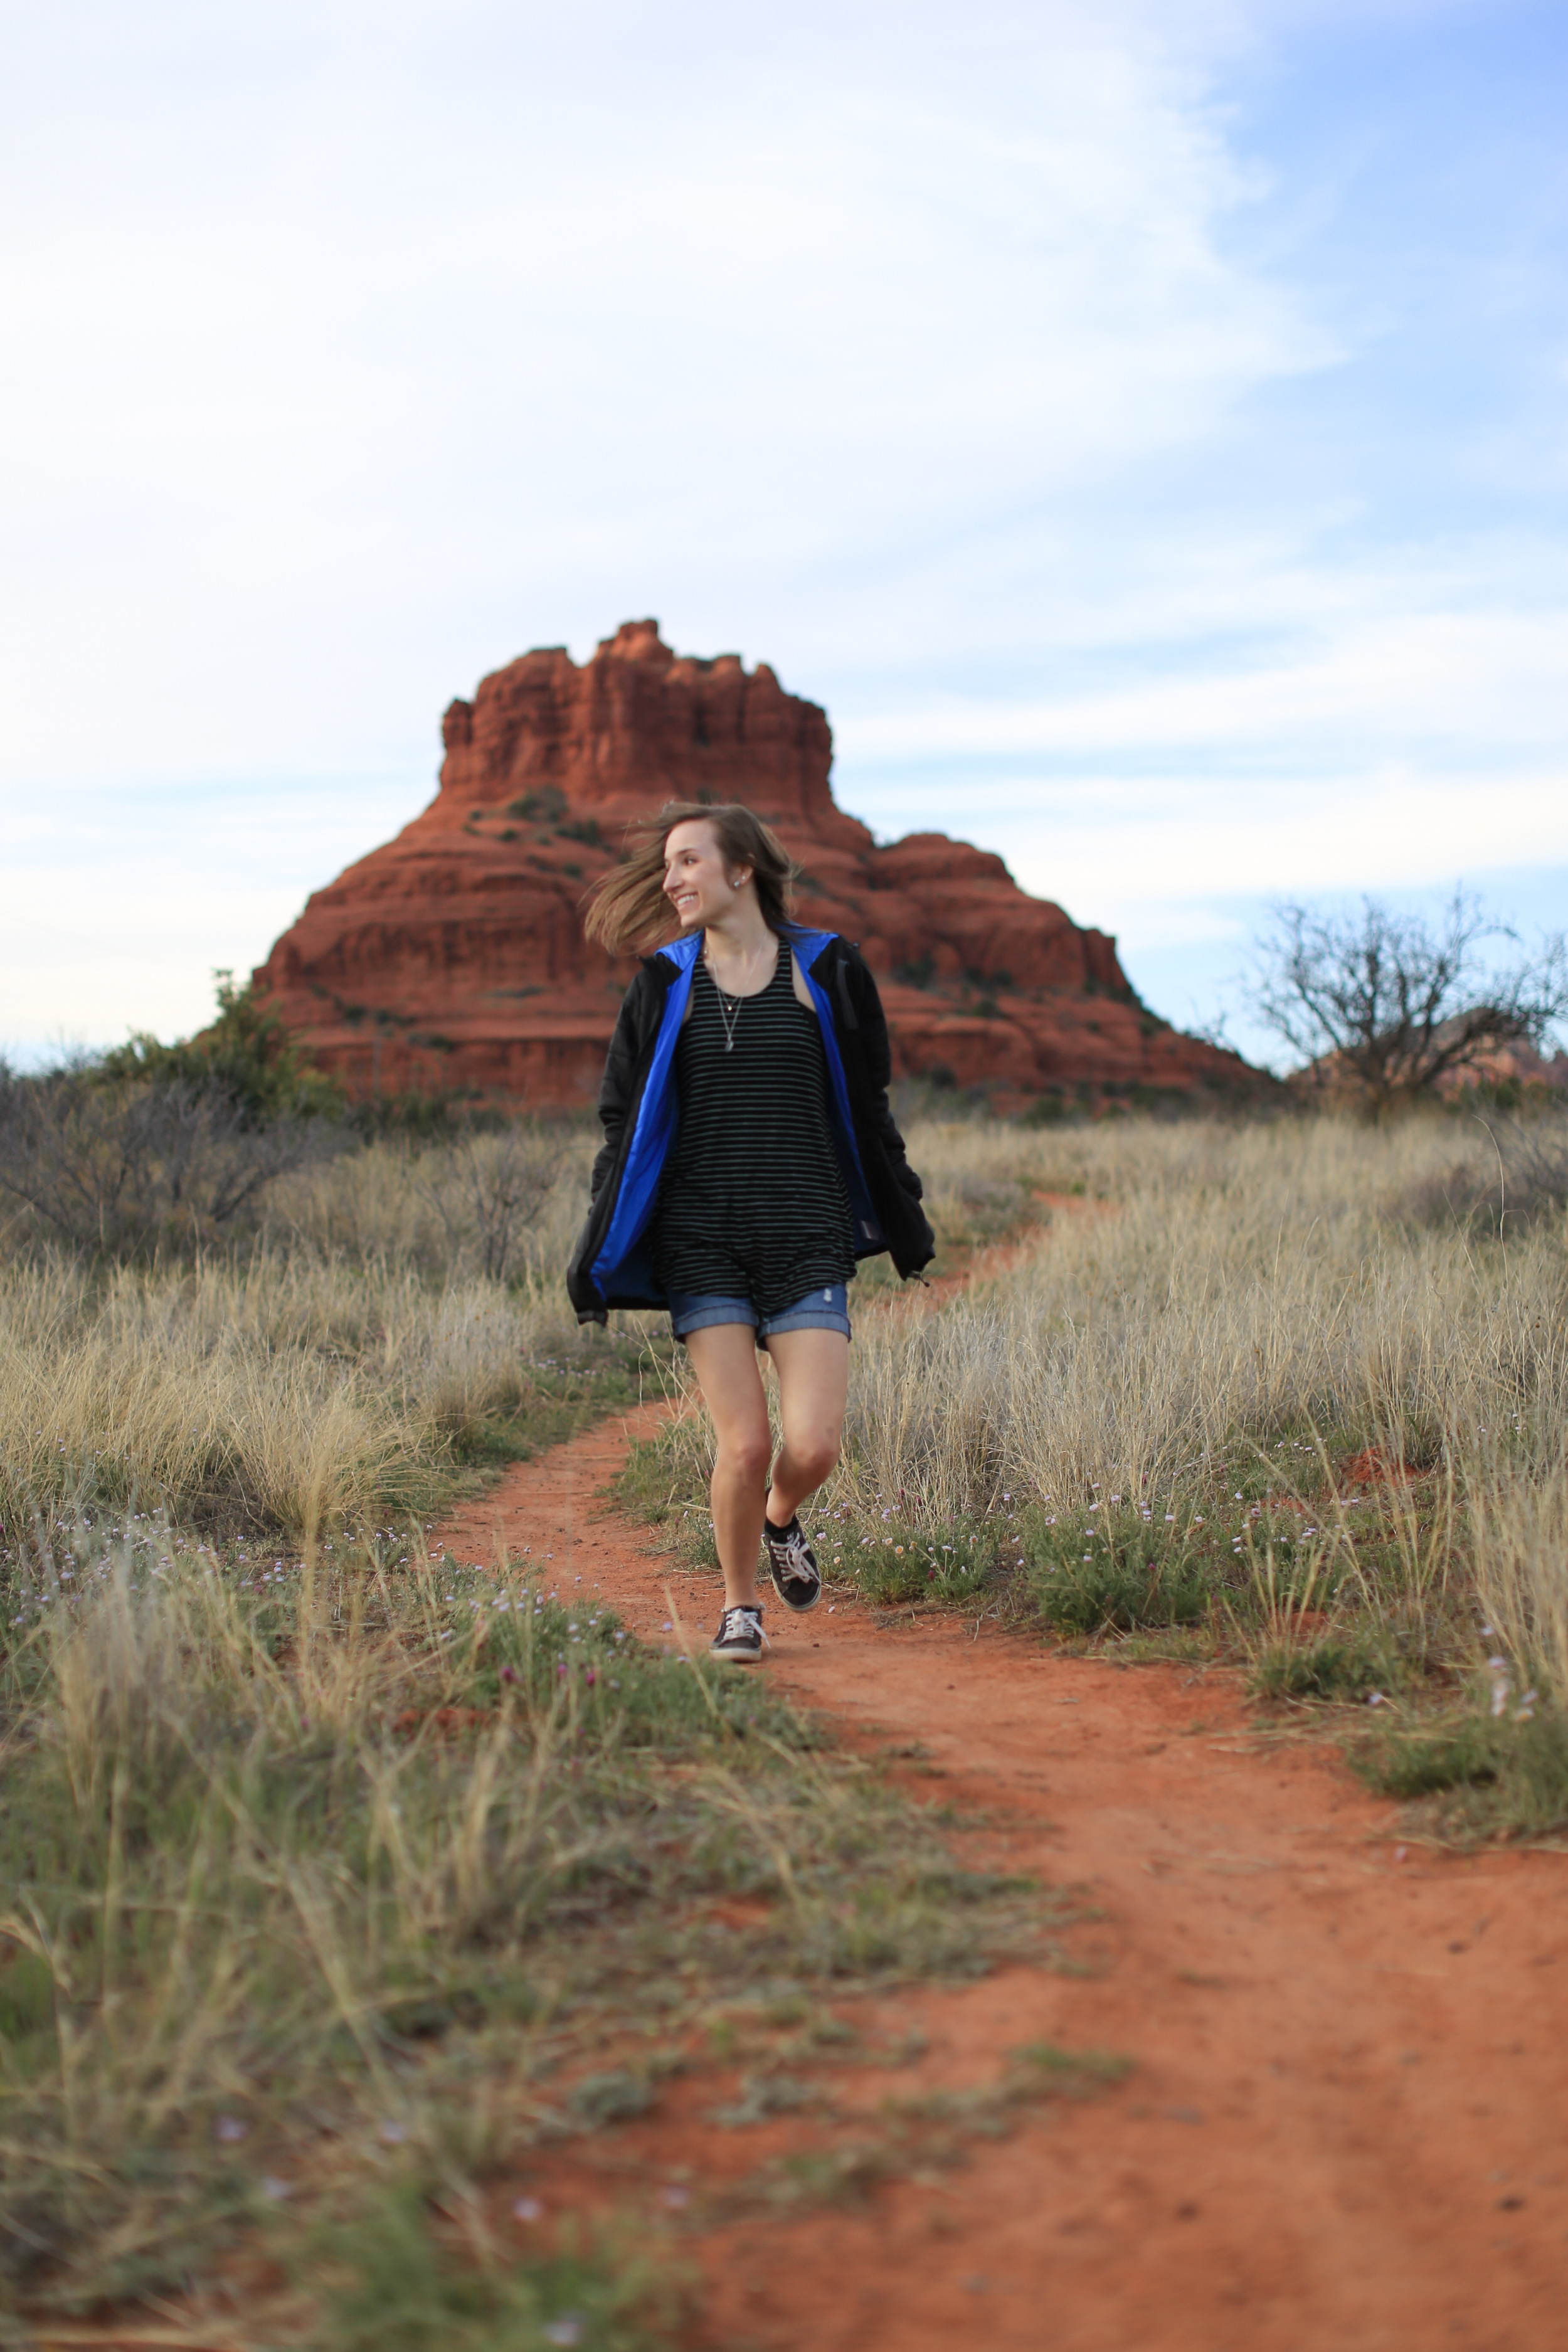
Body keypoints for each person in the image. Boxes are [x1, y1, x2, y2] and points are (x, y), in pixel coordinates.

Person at [568, 801, 934, 1662]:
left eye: (689, 861)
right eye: (668, 865)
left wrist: (903, 1205)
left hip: (806, 1229)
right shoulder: (663, 984)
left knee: (811, 1445)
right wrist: (600, 1235)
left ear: (743, 870)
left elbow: (871, 1104)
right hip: (704, 1241)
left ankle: (781, 1519)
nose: (671, 881)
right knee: (748, 1440)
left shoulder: (827, 970)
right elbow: (622, 1121)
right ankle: (740, 1607)